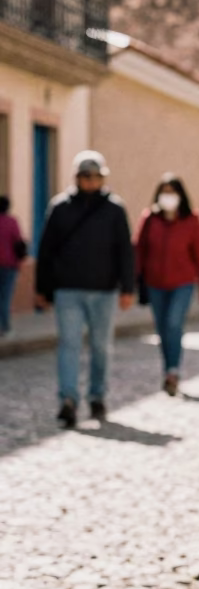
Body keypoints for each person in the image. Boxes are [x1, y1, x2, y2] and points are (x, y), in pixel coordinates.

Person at [35, 151, 135, 428]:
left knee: (101, 347)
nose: (91, 181)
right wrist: (42, 288)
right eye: (85, 176)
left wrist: (128, 287)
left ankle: (97, 396)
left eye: (96, 176)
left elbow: (125, 251)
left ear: (102, 178)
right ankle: (68, 399)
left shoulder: (115, 209)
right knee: (69, 344)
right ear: (77, 178)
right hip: (68, 289)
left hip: (104, 290)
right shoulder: (60, 207)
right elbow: (46, 250)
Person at [135, 175, 199, 395]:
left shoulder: (191, 220)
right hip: (155, 283)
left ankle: (174, 370)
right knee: (162, 329)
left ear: (180, 195)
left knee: (173, 324)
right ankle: (168, 369)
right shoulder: (150, 219)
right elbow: (139, 250)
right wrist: (132, 280)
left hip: (182, 283)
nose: (168, 196)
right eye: (164, 191)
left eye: (172, 191)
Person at [0, 196, 26, 336]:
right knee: (5, 297)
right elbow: (18, 242)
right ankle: (5, 326)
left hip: (8, 264)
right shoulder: (12, 222)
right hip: (9, 265)